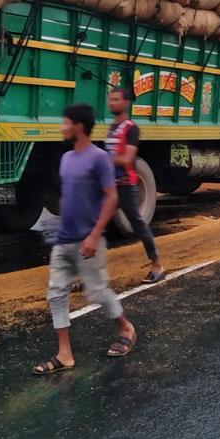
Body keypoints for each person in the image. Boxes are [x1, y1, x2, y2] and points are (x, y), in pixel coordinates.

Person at [33, 103, 136, 375]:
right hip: (63, 240)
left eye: (65, 122)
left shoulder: (99, 158)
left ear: (78, 126)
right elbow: (69, 195)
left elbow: (112, 197)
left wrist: (93, 234)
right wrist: (58, 224)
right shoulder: (66, 158)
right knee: (56, 293)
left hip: (88, 241)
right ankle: (64, 354)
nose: (61, 127)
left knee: (97, 292)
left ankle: (126, 327)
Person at [106, 88, 163, 284]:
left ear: (126, 103)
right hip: (110, 186)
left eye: (116, 99)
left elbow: (128, 158)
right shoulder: (112, 127)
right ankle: (90, 274)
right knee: (93, 225)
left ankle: (156, 264)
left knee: (138, 224)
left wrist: (104, 160)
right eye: (110, 99)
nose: (111, 102)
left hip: (125, 185)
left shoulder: (131, 128)